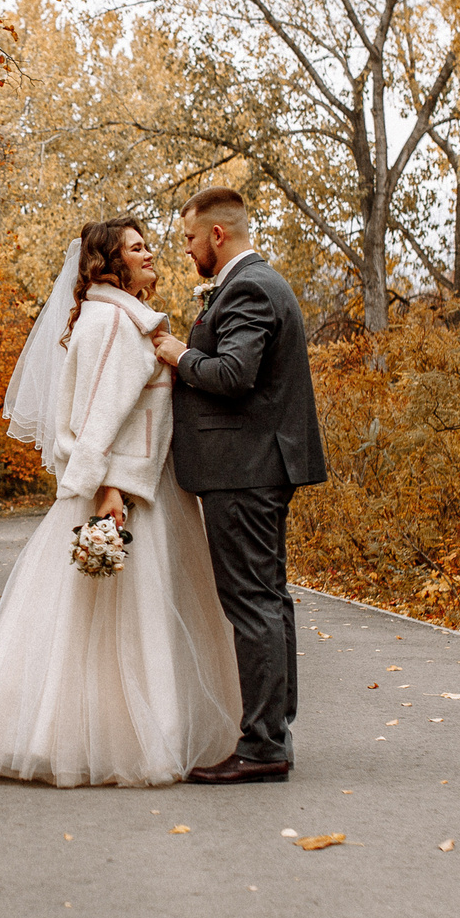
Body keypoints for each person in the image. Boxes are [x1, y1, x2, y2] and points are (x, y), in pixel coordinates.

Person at [0, 218, 242, 786]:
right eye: (137, 248)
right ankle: (135, 741)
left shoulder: (103, 316)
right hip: (128, 492)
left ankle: (106, 733)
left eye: (149, 244)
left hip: (134, 484)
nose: (151, 253)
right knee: (132, 620)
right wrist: (108, 487)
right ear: (110, 263)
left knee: (100, 622)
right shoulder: (115, 322)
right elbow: (101, 417)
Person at [151, 187, 327, 784]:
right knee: (269, 598)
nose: (187, 250)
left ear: (217, 236)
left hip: (245, 471)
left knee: (252, 601)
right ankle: (272, 731)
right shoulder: (253, 284)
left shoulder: (250, 287)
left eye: (189, 240)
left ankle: (262, 746)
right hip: (255, 467)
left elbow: (233, 373)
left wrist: (177, 354)